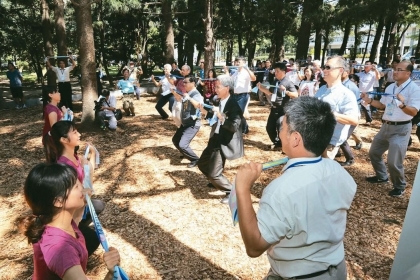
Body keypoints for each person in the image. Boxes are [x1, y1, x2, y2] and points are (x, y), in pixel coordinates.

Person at [235, 96, 357, 280]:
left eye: (282, 127)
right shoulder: (339, 173)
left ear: (295, 138)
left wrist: (242, 189)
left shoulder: (281, 191)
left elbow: (254, 247)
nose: (280, 132)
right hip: (336, 270)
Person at [18, 163, 120, 279]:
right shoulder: (62, 251)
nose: (83, 189)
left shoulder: (54, 219)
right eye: (77, 186)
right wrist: (111, 273)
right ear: (58, 201)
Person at [44, 121, 105, 256]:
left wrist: (92, 155)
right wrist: (84, 193)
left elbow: (88, 175)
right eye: (75, 132)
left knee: (99, 205)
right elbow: (73, 198)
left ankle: (80, 229)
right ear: (64, 140)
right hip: (71, 209)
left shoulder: (75, 156)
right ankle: (77, 254)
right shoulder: (64, 166)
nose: (79, 134)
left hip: (80, 206)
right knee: (94, 238)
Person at [360, 61, 420, 197]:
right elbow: (382, 106)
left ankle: (400, 186)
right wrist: (369, 100)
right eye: (395, 69)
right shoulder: (390, 87)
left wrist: (402, 105)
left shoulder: (414, 90)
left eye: (399, 69)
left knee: (394, 162)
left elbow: (414, 112)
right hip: (386, 126)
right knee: (374, 152)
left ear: (408, 73)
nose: (395, 72)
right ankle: (382, 176)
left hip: (401, 129)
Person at [197, 74, 244, 204]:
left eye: (218, 87)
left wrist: (222, 118)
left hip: (225, 140)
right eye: (215, 87)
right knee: (202, 164)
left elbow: (234, 126)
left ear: (227, 88)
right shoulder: (218, 100)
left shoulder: (234, 106)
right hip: (216, 137)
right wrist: (205, 112)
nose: (215, 89)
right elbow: (214, 116)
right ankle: (217, 181)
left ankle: (231, 192)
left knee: (213, 174)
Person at [314, 56, 359, 159]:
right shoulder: (321, 89)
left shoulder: (346, 94)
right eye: (324, 67)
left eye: (328, 67)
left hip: (329, 143)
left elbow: (353, 120)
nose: (324, 70)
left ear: (340, 70)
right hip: (315, 139)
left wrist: (331, 115)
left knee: (323, 172)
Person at [257, 62, 298, 150]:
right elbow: (270, 92)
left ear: (283, 71)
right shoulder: (275, 81)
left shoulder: (287, 82)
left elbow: (296, 95)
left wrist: (286, 91)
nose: (275, 73)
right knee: (269, 127)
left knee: (281, 125)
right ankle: (277, 143)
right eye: (275, 71)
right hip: (274, 108)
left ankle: (285, 145)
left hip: (283, 109)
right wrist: (261, 88)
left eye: (277, 71)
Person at [171, 75, 204, 168]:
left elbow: (198, 105)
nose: (183, 84)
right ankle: (185, 153)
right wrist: (174, 92)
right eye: (183, 82)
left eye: (186, 82)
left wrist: (189, 97)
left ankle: (195, 159)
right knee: (175, 140)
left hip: (192, 124)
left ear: (193, 83)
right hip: (185, 123)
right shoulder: (188, 93)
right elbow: (180, 100)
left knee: (183, 144)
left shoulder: (196, 94)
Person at [338, 65, 362, 166]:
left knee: (342, 138)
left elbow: (356, 104)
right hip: (342, 115)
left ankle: (350, 159)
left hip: (350, 116)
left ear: (347, 73)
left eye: (342, 72)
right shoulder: (340, 85)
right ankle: (337, 152)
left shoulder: (351, 87)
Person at [228, 56, 256, 134]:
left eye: (239, 62)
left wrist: (247, 68)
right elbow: (229, 80)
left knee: (239, 112)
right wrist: (226, 71)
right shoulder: (236, 72)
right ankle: (243, 127)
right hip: (235, 95)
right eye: (236, 62)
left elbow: (254, 78)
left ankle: (244, 128)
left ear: (244, 63)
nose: (237, 63)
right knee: (236, 112)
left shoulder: (246, 72)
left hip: (243, 95)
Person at [351, 60, 380, 125]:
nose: (365, 66)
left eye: (367, 65)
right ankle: (354, 118)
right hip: (360, 92)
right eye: (365, 64)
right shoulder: (361, 73)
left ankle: (368, 120)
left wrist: (375, 70)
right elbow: (352, 75)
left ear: (371, 66)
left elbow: (378, 77)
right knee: (357, 104)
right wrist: (352, 67)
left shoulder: (373, 73)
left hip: (368, 92)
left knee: (366, 106)